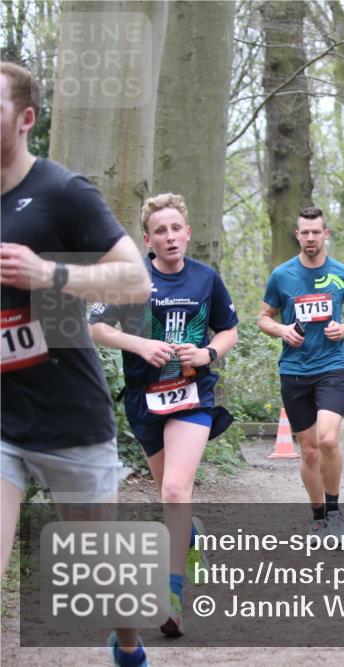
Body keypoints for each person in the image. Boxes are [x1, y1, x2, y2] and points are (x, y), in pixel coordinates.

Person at [0, 62, 152, 666]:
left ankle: (130, 642)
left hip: (69, 418)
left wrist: (52, 273)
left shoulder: (63, 192)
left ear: (26, 119)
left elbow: (136, 281)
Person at [89, 193, 239, 638]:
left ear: (188, 232)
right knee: (171, 496)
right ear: (148, 238)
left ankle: (171, 599)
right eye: (161, 231)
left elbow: (229, 328)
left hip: (193, 394)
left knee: (175, 489)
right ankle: (191, 533)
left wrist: (210, 351)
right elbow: (95, 325)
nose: (170, 237)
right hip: (145, 399)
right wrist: (140, 345)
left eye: (176, 229)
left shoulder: (206, 279)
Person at [258, 207, 344, 543]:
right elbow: (263, 318)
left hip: (331, 366)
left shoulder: (343, 274)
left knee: (328, 440)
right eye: (304, 232)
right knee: (308, 449)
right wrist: (282, 330)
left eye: (316, 232)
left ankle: (335, 514)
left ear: (326, 233)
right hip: (294, 370)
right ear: (297, 235)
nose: (310, 238)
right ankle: (318, 517)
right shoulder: (282, 275)